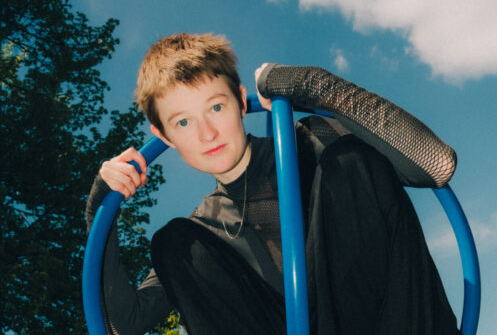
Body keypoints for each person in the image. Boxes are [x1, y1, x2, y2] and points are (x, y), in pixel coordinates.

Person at [86, 33, 460, 335]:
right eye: (183, 122)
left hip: (396, 321)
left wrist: (306, 83)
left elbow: (437, 164)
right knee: (174, 242)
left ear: (240, 101)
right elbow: (121, 326)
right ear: (163, 136)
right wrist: (102, 206)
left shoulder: (311, 143)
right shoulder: (203, 235)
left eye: (216, 107)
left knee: (349, 158)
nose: (207, 133)